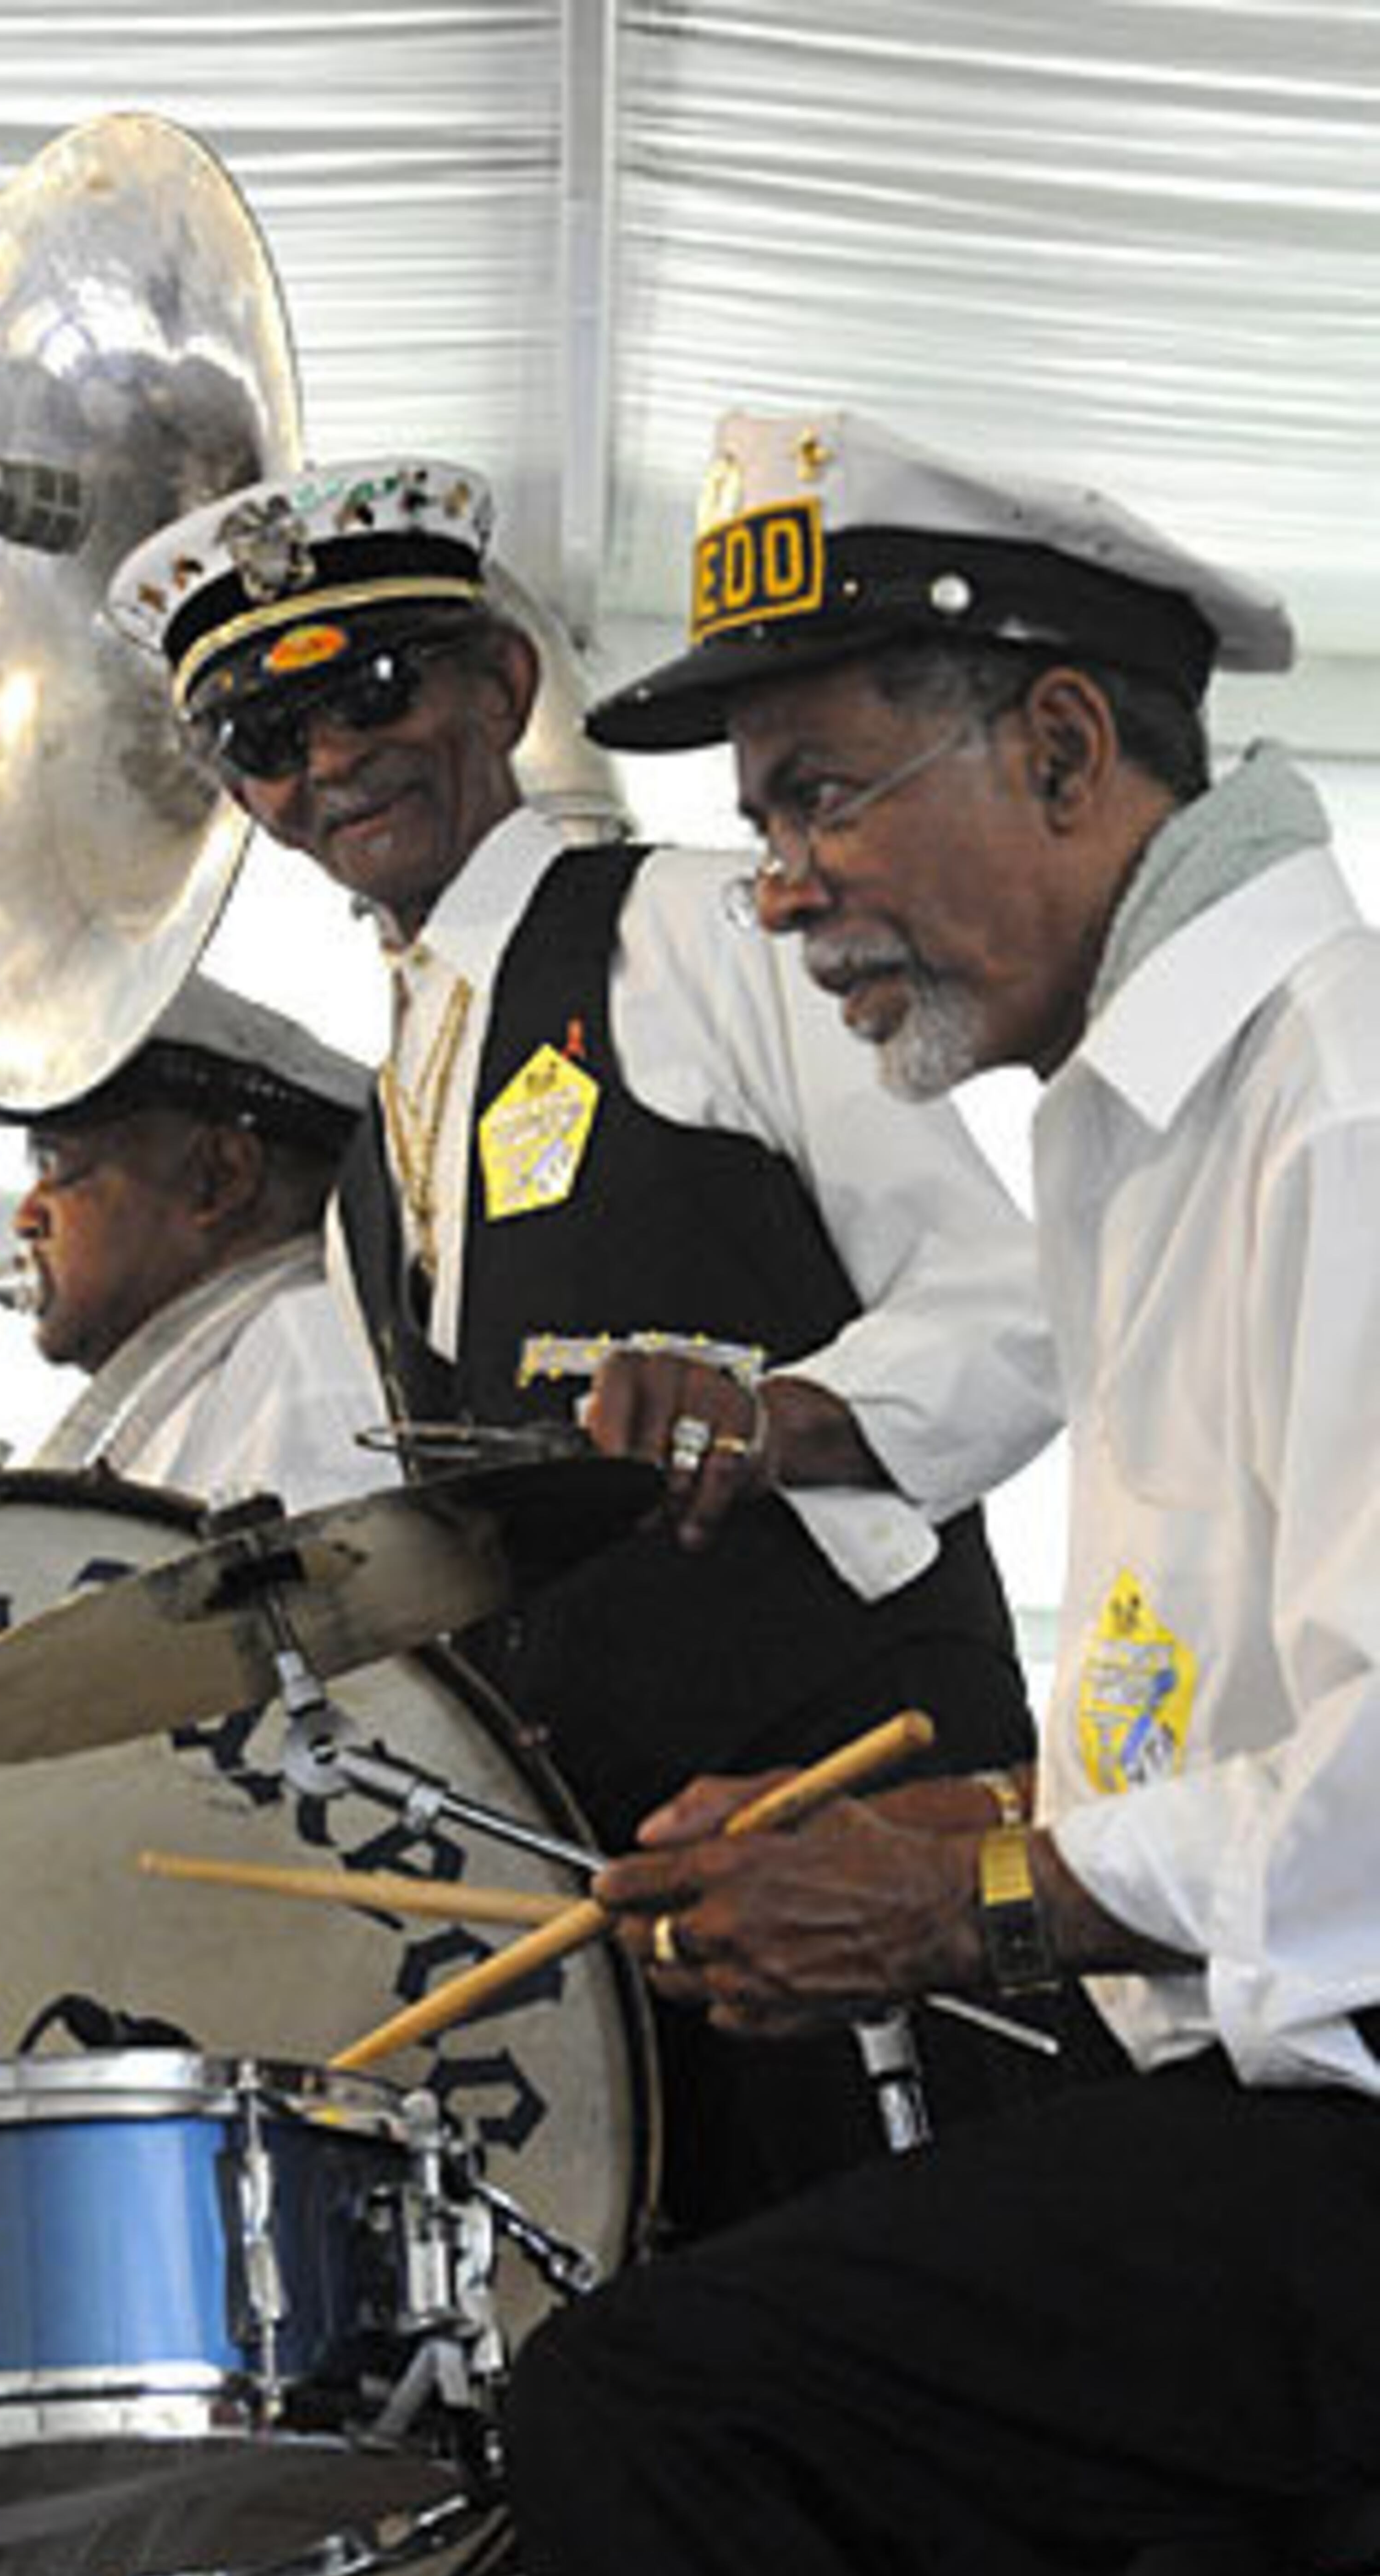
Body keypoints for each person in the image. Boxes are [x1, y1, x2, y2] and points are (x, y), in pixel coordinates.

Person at [490, 403, 1380, 2576]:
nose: (779, 886)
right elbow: (1248, 1754)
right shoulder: (1153, 1115)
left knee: (661, 2410)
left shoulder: (1342, 1095)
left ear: (1067, 745)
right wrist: (901, 1836)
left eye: (815, 795)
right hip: (1297, 2110)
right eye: (756, 824)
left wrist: (969, 1898)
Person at [108, 461, 1066, 2239]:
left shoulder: (706, 928)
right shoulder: (367, 1175)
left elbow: (1019, 1307)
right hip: (628, 1919)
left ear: (504, 687)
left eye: (373, 691)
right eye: (263, 735)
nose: (328, 763)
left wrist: (773, 1419)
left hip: (868, 1846)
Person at [0, 974, 391, 1514]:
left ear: (221, 1176)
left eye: (56, 1164)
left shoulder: (312, 1355)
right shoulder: (239, 1369)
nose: (26, 1216)